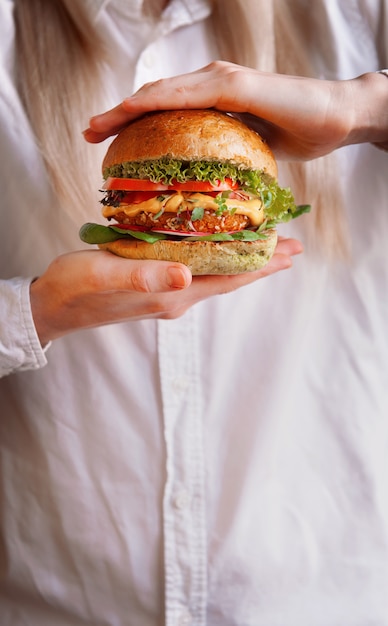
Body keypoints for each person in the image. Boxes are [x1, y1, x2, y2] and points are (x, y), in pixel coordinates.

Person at [0, 0, 387, 624]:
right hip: (59, 600)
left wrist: (367, 108)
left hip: (324, 595)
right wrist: (34, 312)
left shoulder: (358, 15)